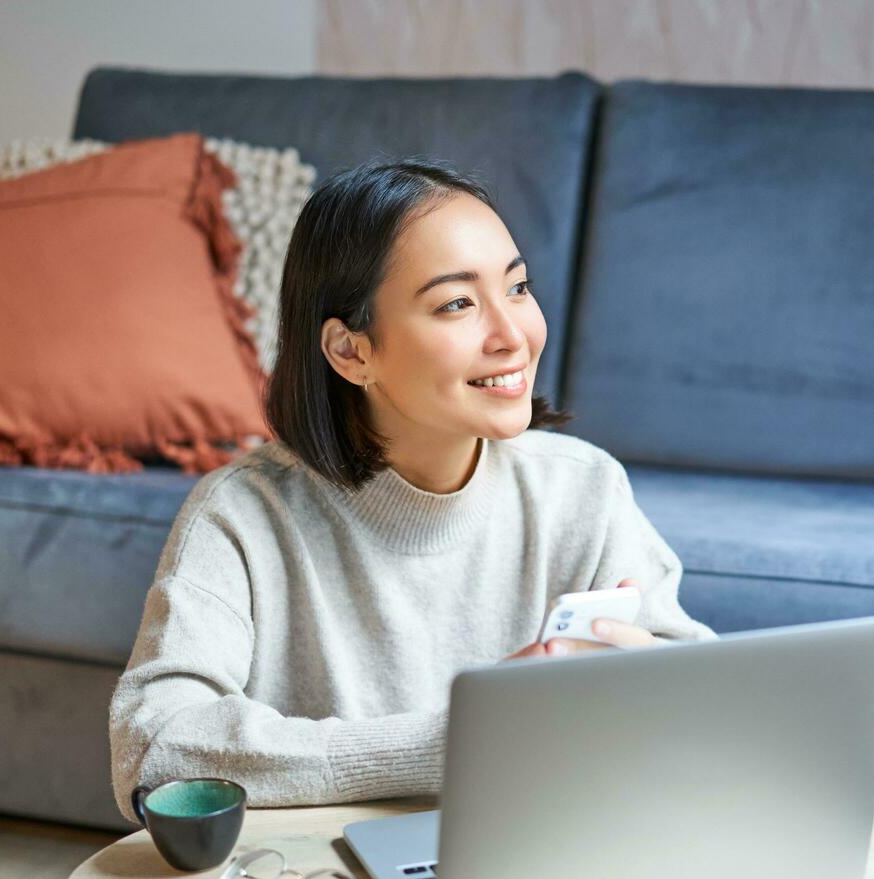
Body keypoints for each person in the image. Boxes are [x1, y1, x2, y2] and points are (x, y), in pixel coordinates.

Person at [108, 156, 717, 821]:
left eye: (517, 288)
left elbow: (709, 712)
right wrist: (454, 742)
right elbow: (154, 748)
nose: (513, 335)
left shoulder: (583, 492)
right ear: (350, 352)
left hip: (533, 855)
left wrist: (657, 688)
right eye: (457, 303)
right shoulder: (243, 516)